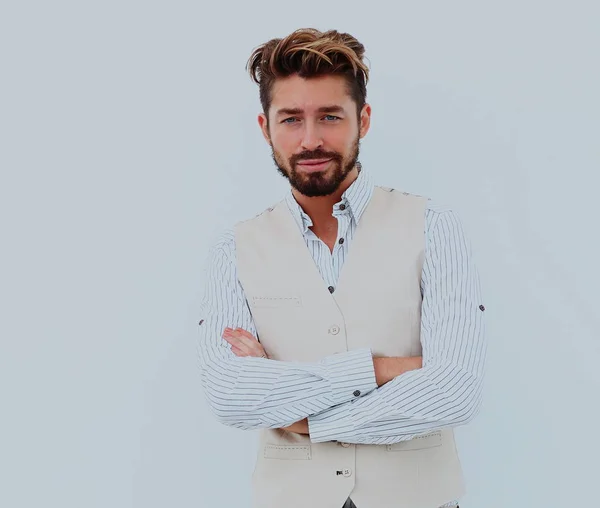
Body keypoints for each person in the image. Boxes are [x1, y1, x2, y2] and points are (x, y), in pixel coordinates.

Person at [196, 27, 487, 508]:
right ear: (265, 128)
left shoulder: (434, 227)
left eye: (330, 116)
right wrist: (382, 370)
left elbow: (455, 390)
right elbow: (232, 395)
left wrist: (305, 417)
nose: (311, 139)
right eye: (291, 119)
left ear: (363, 120)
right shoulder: (235, 247)